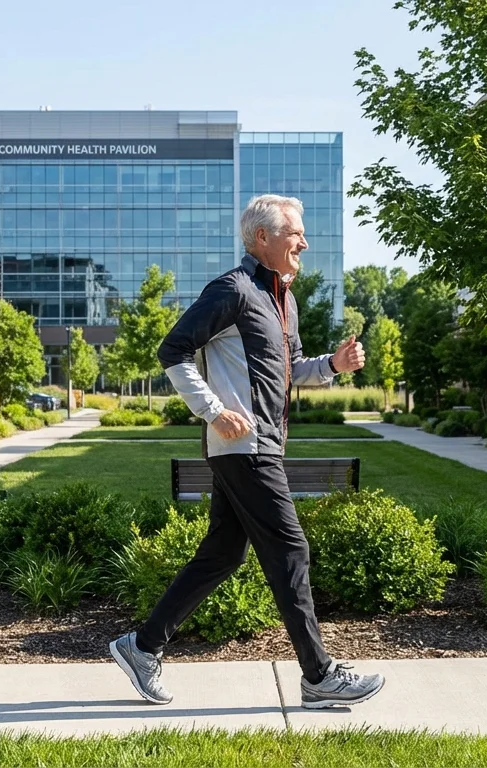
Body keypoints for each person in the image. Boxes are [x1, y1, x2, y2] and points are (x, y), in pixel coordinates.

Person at [110, 194, 383, 710]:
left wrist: (334, 365)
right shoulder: (232, 290)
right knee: (291, 551)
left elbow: (292, 370)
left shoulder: (284, 299)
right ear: (262, 238)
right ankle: (319, 676)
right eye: (294, 233)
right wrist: (213, 410)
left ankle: (141, 647)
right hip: (244, 447)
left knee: (223, 553)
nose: (304, 241)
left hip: (262, 446)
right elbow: (172, 350)